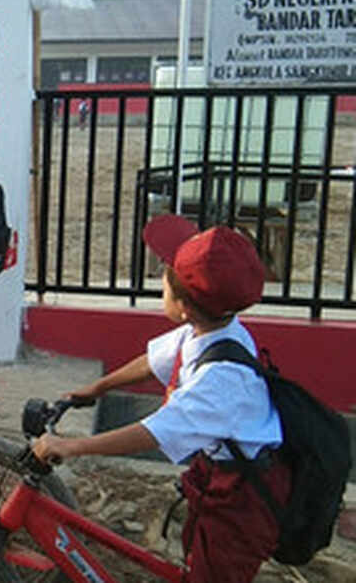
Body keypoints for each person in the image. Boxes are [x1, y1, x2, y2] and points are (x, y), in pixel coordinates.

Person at [33, 214, 285, 583]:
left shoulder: (221, 379)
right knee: (195, 551)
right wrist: (99, 387)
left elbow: (151, 433)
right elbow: (155, 362)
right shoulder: (212, 328)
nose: (160, 283)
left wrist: (72, 446)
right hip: (218, 472)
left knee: (215, 571)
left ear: (184, 304)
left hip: (244, 500)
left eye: (166, 278)